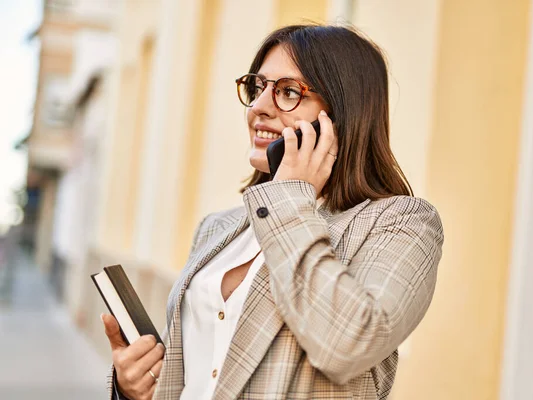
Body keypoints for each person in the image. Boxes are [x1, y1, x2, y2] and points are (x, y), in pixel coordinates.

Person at [101, 24, 444, 400]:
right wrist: (133, 387)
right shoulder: (218, 228)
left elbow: (347, 344)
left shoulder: (401, 223)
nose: (259, 108)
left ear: (342, 114)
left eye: (288, 92)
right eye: (257, 87)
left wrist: (289, 198)